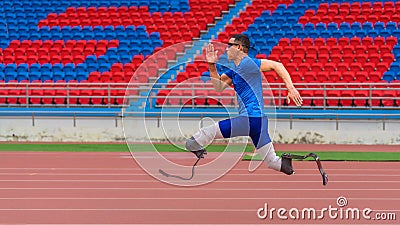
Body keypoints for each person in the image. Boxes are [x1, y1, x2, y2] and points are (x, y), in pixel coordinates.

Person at [185, 34, 303, 175]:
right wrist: (211, 66)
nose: (226, 49)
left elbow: (277, 65)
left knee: (208, 132)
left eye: (230, 46)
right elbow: (218, 86)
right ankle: (285, 164)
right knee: (272, 162)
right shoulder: (235, 70)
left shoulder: (247, 63)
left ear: (239, 47)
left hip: (249, 119)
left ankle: (194, 142)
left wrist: (290, 88)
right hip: (259, 122)